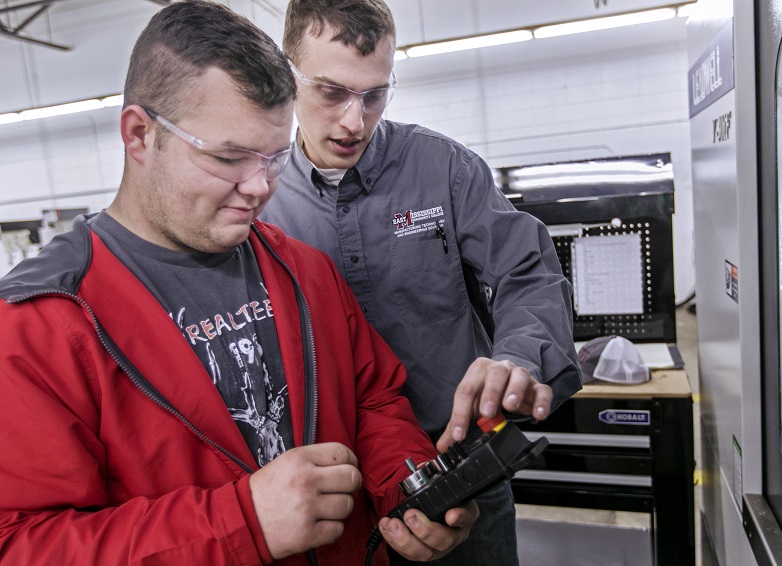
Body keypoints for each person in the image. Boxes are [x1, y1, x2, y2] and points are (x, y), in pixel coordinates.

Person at [0, 2, 477, 564]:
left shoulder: (304, 272)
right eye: (229, 157)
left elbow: (371, 399)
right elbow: (22, 543)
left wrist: (409, 486)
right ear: (139, 135)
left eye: (275, 158)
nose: (259, 187)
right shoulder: (39, 323)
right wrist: (241, 522)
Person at [259, 1, 583, 564]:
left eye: (374, 94)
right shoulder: (258, 199)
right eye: (332, 92)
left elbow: (527, 273)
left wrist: (519, 358)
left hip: (459, 474)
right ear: (289, 77)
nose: (354, 121)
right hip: (332, 496)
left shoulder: (445, 170)